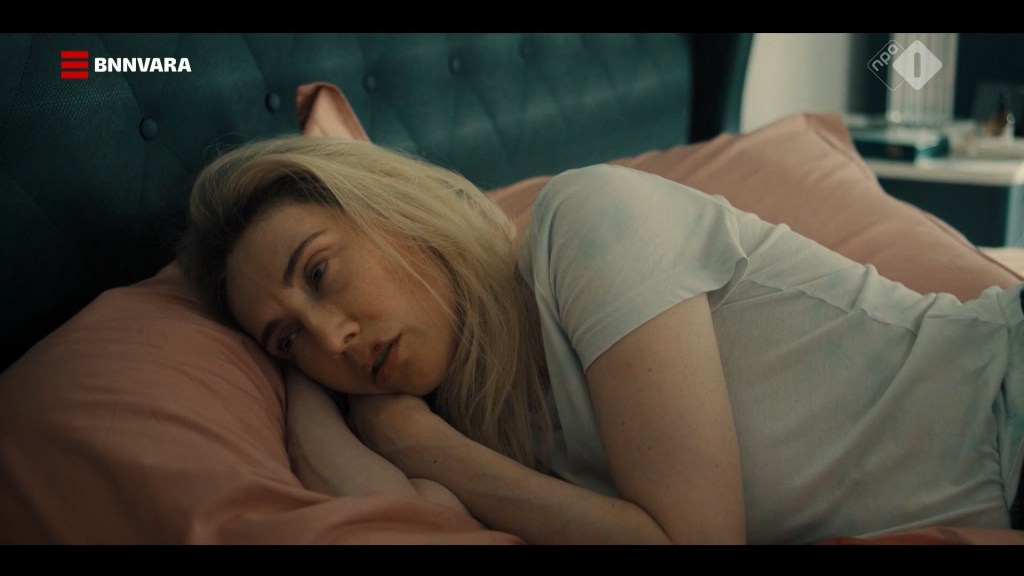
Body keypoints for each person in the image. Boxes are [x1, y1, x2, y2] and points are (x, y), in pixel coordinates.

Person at [176, 135, 1024, 545]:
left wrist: (417, 443)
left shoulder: (583, 223)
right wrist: (309, 389)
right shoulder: (482, 423)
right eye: (288, 340)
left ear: (389, 211)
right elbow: (374, 513)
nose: (333, 338)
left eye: (321, 272)